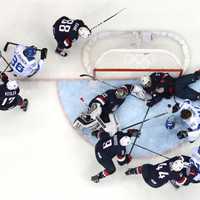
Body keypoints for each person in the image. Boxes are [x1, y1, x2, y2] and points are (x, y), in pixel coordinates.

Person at [73, 84, 146, 136]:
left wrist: (141, 91)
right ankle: (80, 120)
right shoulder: (110, 93)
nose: (118, 95)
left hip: (107, 113)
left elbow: (133, 87)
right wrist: (95, 109)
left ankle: (97, 132)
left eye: (121, 96)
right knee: (93, 117)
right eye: (118, 93)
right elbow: (99, 100)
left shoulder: (125, 90)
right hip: (98, 107)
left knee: (114, 128)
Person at [125, 155, 197, 188]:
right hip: (155, 184)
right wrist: (191, 174)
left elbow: (180, 157)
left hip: (148, 176)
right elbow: (182, 183)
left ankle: (131, 171)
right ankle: (168, 180)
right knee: (176, 179)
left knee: (146, 167)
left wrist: (183, 159)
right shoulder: (176, 175)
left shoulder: (172, 160)